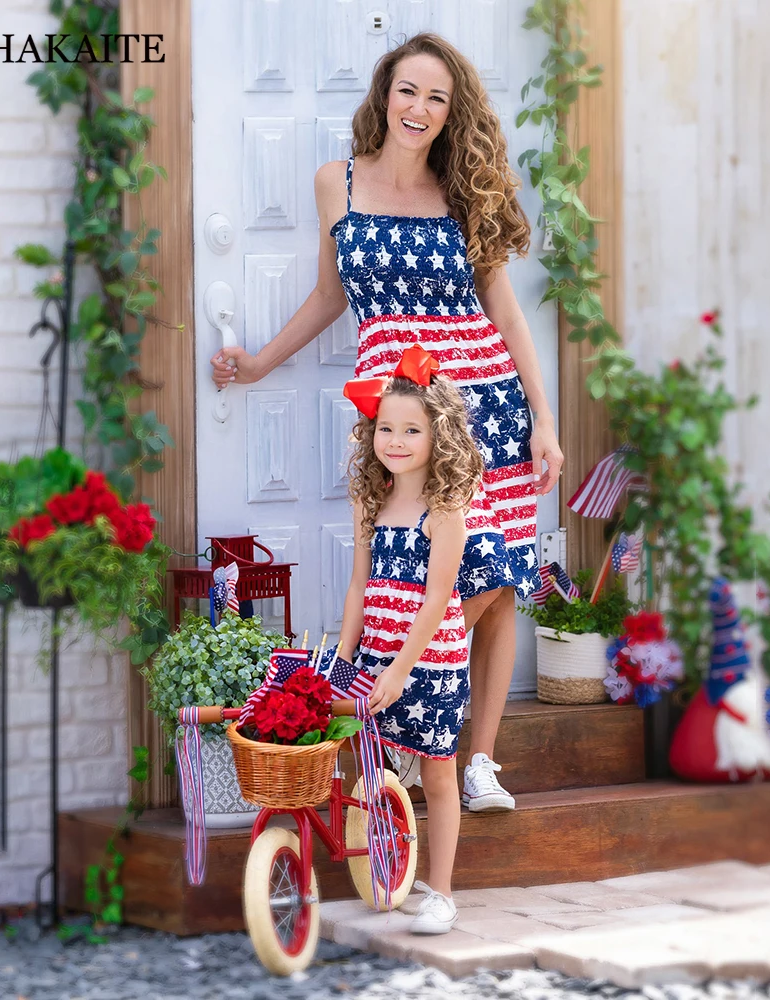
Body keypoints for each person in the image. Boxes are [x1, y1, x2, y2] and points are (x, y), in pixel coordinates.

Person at [211, 33, 564, 812]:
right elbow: (333, 295)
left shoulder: (462, 188)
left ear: (451, 112)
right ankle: (403, 735)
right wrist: (263, 363)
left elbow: (502, 306)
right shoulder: (336, 182)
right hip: (397, 413)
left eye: (437, 98)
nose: (420, 109)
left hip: (483, 405)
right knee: (405, 573)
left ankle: (478, 762)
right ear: (384, 93)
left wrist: (543, 417)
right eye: (408, 91)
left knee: (496, 583)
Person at [338, 347, 481, 934]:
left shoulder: (445, 509)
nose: (395, 441)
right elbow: (358, 585)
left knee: (439, 773)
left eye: (412, 430)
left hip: (430, 664)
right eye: (387, 428)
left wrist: (399, 671)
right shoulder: (372, 500)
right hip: (376, 654)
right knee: (372, 762)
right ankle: (383, 867)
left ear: (437, 435)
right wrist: (344, 662)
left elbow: (436, 602)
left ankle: (442, 892)